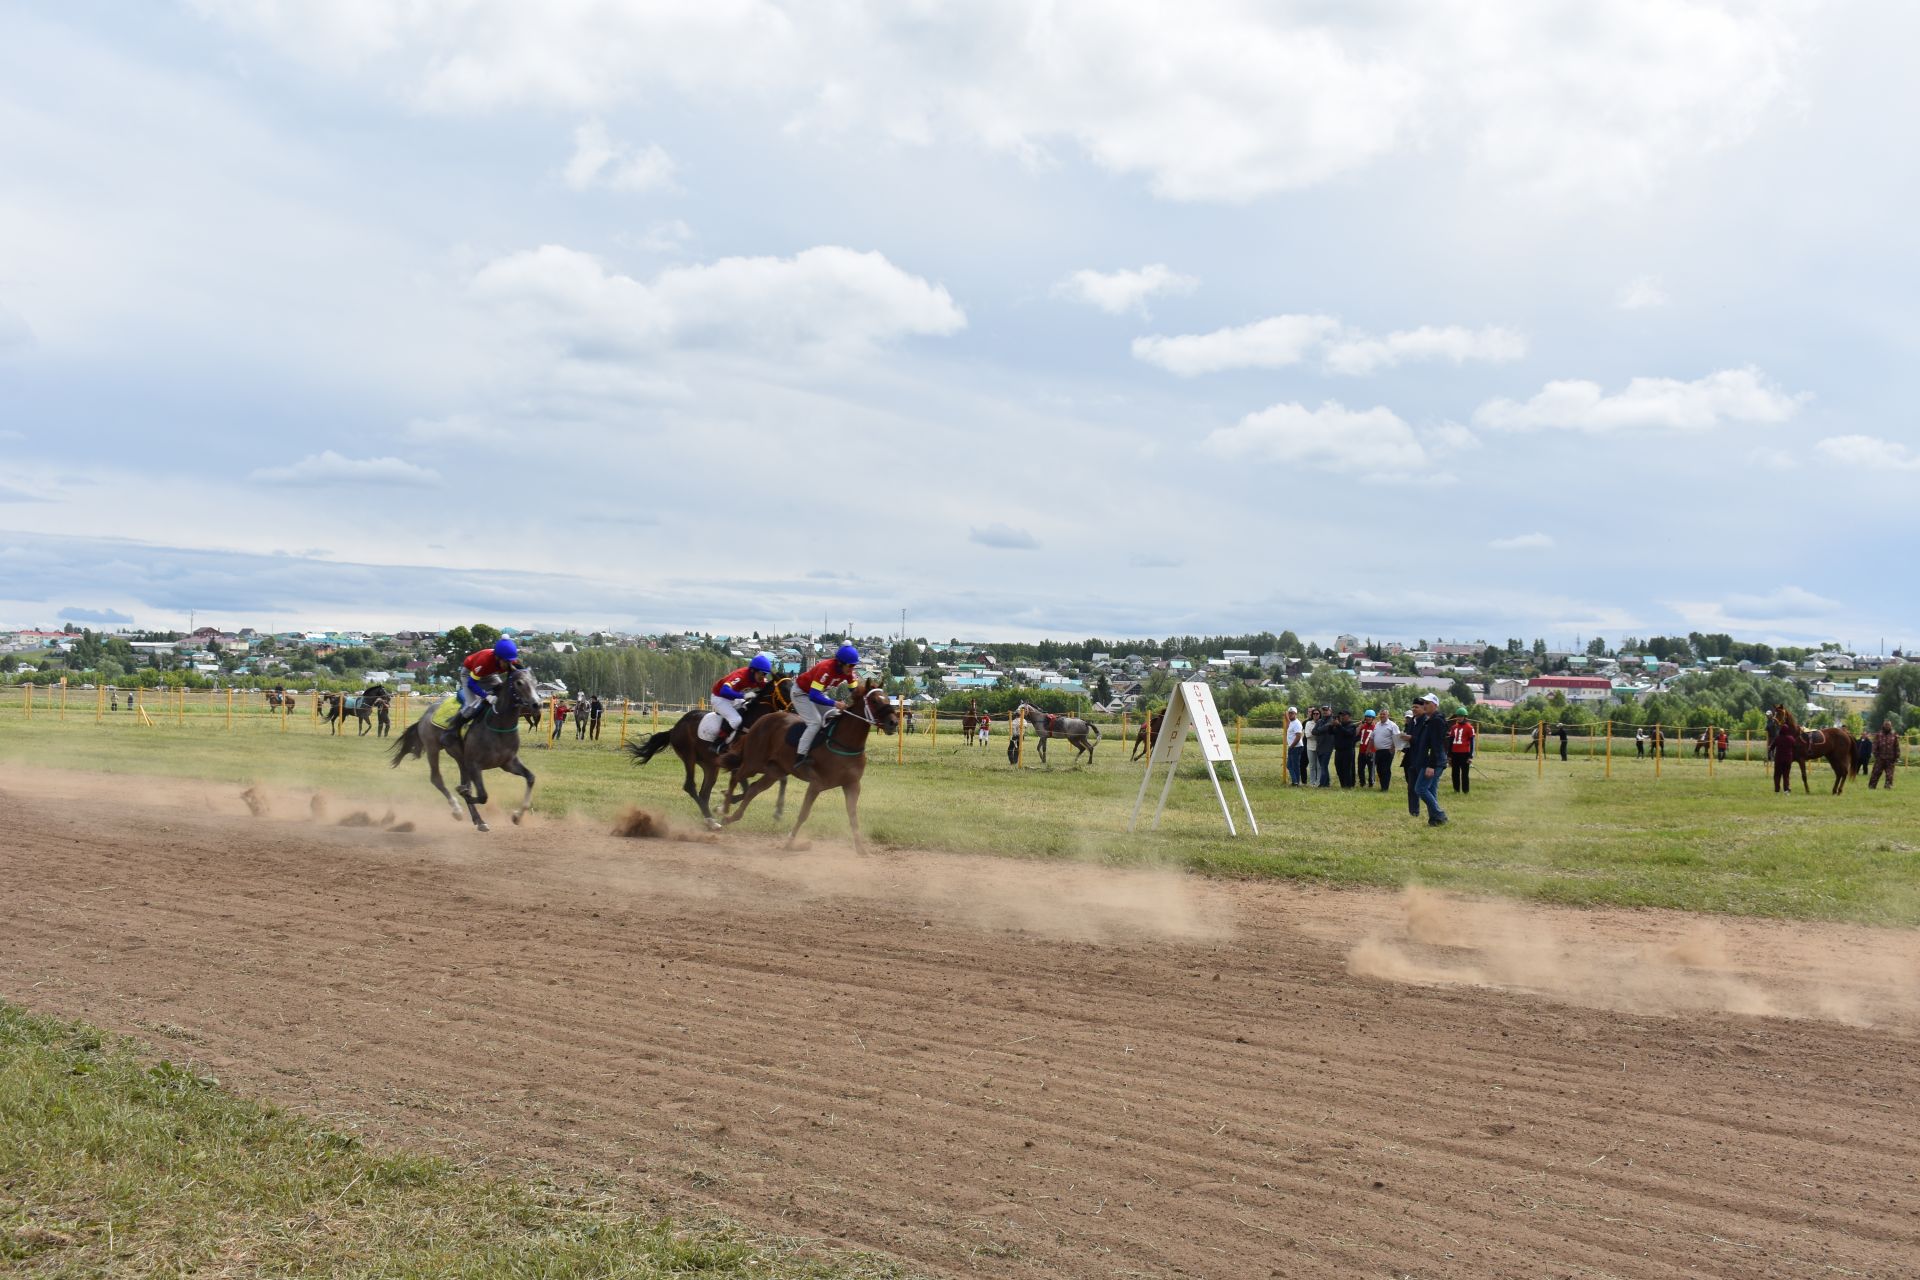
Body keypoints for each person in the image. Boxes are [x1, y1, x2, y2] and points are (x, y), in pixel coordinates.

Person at [793, 643, 859, 773]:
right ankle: (800, 757)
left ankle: (824, 752)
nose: (852, 668)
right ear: (841, 663)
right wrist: (835, 703)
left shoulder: (849, 672)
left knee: (835, 717)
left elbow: (855, 692)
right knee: (815, 722)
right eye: (850, 665)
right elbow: (813, 696)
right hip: (801, 693)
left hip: (818, 694)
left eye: (854, 665)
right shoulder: (826, 668)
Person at [448, 636, 521, 744]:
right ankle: (452, 731)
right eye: (506, 662)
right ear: (497, 657)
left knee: (502, 693)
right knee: (472, 706)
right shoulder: (484, 661)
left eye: (510, 662)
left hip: (489, 674)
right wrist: (486, 696)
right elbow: (472, 684)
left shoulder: (508, 659)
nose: (509, 665)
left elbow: (522, 671)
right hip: (469, 674)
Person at [708, 654, 774, 754]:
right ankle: (718, 743)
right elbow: (723, 691)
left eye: (765, 674)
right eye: (762, 674)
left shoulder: (758, 678)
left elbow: (770, 688)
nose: (763, 677)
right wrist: (743, 696)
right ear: (753, 670)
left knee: (750, 708)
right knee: (736, 720)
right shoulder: (740, 676)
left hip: (733, 698)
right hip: (719, 698)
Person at [1405, 694, 1448, 824]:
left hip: (1433, 761)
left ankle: (1440, 815)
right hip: (1429, 760)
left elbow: (1436, 744)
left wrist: (1431, 765)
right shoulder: (1430, 720)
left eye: (1428, 703)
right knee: (1430, 790)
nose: (1425, 705)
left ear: (1435, 705)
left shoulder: (1436, 721)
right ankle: (1434, 819)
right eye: (1424, 703)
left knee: (1420, 789)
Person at [1326, 710, 1359, 788]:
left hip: (1348, 751)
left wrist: (1339, 726)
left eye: (1344, 715)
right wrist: (1331, 725)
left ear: (1349, 716)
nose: (1342, 717)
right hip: (1338, 751)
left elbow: (1348, 733)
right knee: (1339, 768)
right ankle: (1343, 785)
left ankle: (1348, 785)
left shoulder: (1351, 726)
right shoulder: (1338, 726)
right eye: (1341, 715)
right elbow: (1330, 732)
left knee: (1347, 769)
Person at [1772, 705, 1800, 794]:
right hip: (1788, 760)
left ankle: (1777, 790)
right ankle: (1786, 790)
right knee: (1786, 775)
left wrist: (1769, 752)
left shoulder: (1777, 738)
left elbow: (1772, 747)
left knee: (1777, 775)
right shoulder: (1791, 739)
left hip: (1778, 760)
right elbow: (1795, 747)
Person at [1371, 710, 1400, 792]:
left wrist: (1393, 747)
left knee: (1385, 769)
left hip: (1388, 751)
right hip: (1378, 751)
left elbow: (1397, 736)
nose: (1382, 715)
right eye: (1381, 714)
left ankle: (1385, 788)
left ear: (1388, 715)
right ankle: (1382, 785)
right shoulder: (1377, 724)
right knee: (1379, 769)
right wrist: (1370, 748)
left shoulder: (1392, 725)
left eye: (1384, 714)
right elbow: (1372, 737)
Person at [1448, 708, 1476, 794]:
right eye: (1458, 716)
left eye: (1461, 716)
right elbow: (1450, 742)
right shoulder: (1453, 728)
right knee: (1454, 773)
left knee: (1464, 774)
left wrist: (1470, 756)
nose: (1459, 718)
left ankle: (1465, 791)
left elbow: (1472, 743)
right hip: (1455, 753)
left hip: (1465, 754)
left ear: (1465, 717)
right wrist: (1449, 755)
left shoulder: (1469, 727)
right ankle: (1456, 790)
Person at [1869, 720, 1900, 789]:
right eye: (1886, 725)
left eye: (1888, 725)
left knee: (1890, 775)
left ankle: (1888, 786)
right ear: (1883, 725)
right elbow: (1874, 745)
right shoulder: (1878, 734)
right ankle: (1872, 786)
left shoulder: (1894, 735)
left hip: (1890, 759)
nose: (1887, 726)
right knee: (1875, 773)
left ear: (1891, 726)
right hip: (1880, 758)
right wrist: (1876, 755)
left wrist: (1897, 756)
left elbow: (1896, 746)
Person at [1313, 707, 1337, 788]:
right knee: (1324, 766)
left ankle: (1322, 784)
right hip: (1319, 747)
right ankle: (1327, 783)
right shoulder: (1320, 721)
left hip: (1328, 747)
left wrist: (1320, 729)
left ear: (1330, 711)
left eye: (1327, 710)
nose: (1325, 712)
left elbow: (1320, 730)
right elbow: (1314, 731)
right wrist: (1323, 727)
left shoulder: (1332, 721)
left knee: (1323, 765)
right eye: (1323, 710)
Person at [1284, 707, 1305, 786]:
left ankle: (1296, 782)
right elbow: (1288, 722)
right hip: (1293, 746)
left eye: (1292, 713)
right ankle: (1295, 781)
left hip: (1296, 747)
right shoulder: (1292, 722)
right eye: (1289, 713)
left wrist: (1291, 746)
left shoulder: (1297, 723)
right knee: (1290, 765)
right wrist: (1285, 716)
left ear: (1296, 714)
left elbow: (1298, 736)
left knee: (1294, 765)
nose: (1290, 714)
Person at [1356, 711, 1377, 787]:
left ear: (1373, 718)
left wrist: (1372, 749)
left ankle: (1371, 782)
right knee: (1360, 768)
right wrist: (1360, 725)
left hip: (1371, 751)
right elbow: (1356, 734)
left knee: (1371, 768)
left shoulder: (1375, 727)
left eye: (1370, 717)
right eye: (1367, 717)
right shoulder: (1363, 726)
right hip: (1361, 750)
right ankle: (1362, 782)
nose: (1368, 718)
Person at [1302, 709, 1320, 786]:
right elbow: (1307, 735)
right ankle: (1312, 782)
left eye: (1317, 713)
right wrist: (1317, 733)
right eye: (1314, 714)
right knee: (1312, 766)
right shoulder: (1308, 723)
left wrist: (1313, 733)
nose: (1315, 715)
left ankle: (1318, 782)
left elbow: (1322, 735)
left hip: (1319, 747)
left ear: (1319, 715)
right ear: (1312, 715)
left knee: (1319, 766)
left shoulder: (1321, 722)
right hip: (1310, 747)